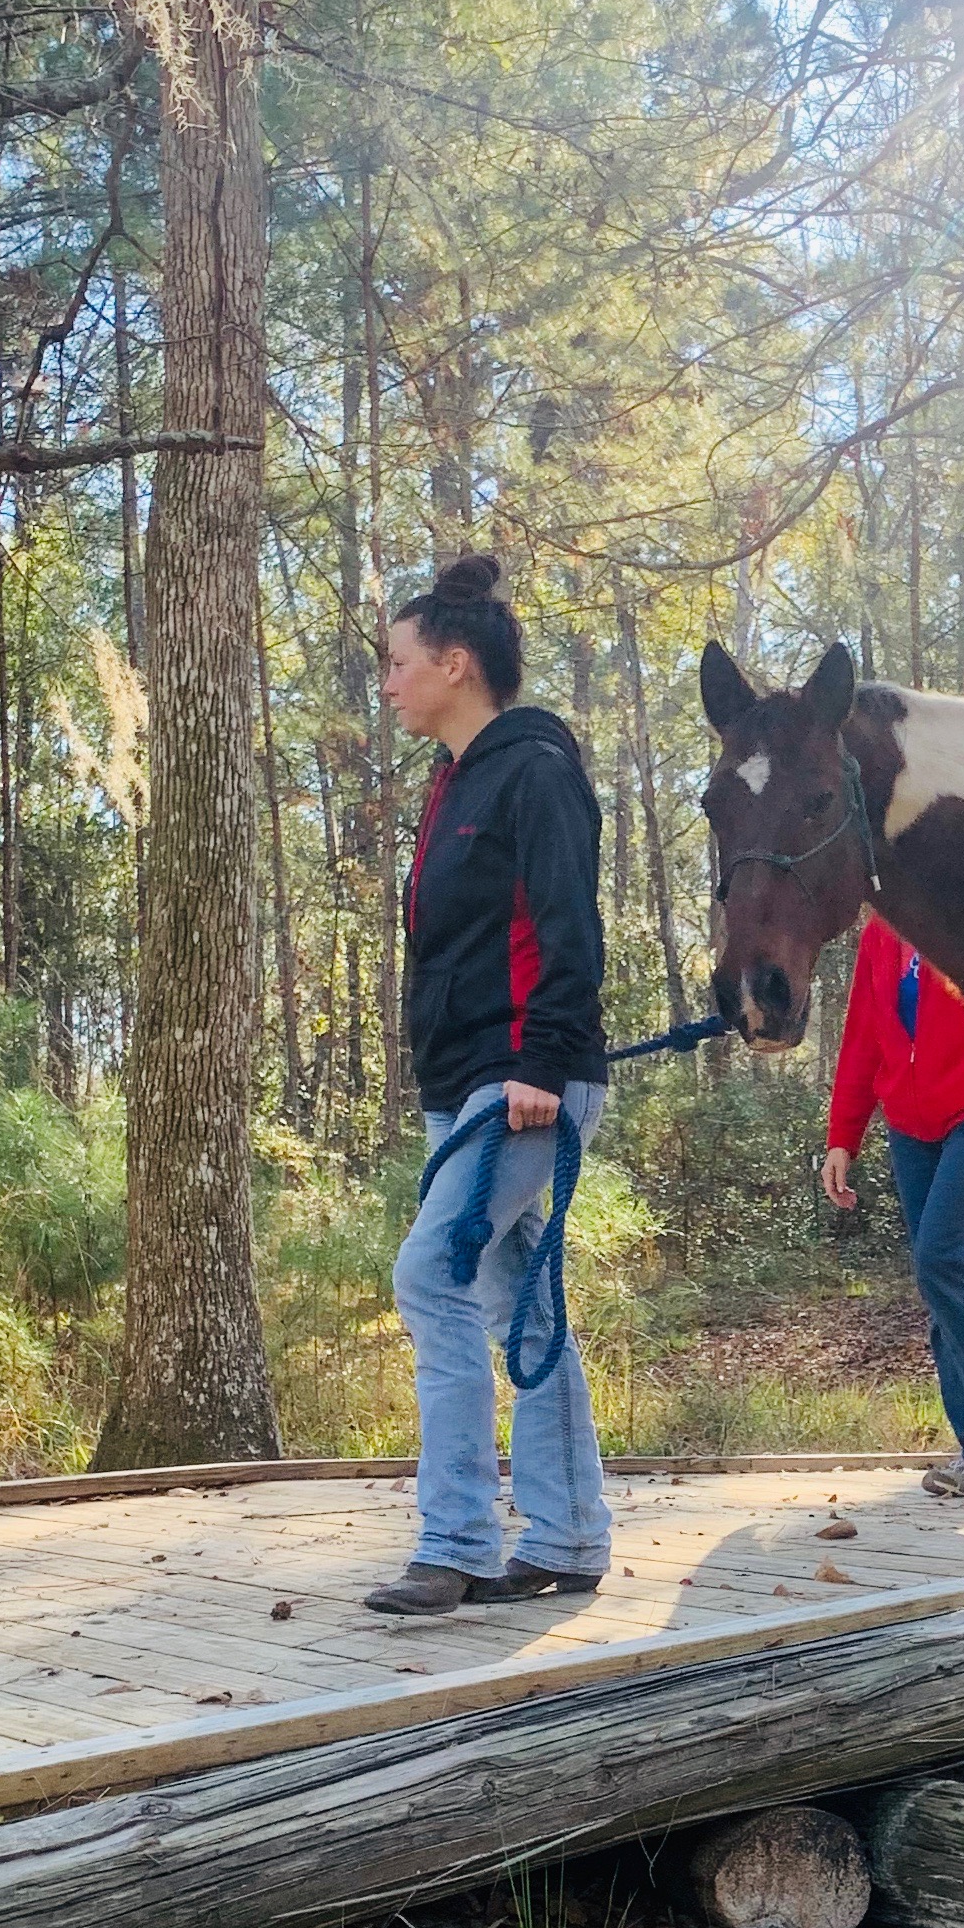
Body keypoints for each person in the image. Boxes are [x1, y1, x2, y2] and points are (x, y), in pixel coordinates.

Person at [364, 554, 614, 1615]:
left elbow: (570, 930)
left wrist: (539, 1065)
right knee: (522, 1304)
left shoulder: (535, 769)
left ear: (455, 664)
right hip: (465, 1080)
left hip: (522, 1082)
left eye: (397, 662)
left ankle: (458, 1539)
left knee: (432, 1280)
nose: (387, 683)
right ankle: (566, 1536)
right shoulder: (453, 781)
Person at [821, 913, 964, 1498]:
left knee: (944, 1260)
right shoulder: (878, 933)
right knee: (936, 1277)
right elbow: (864, 1035)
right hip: (909, 1126)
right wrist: (843, 1136)